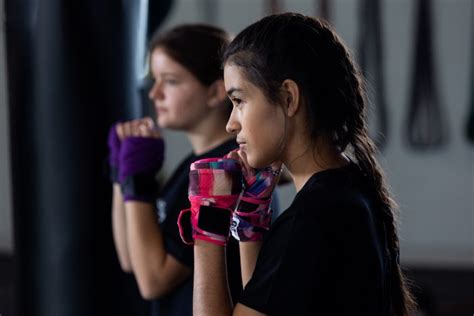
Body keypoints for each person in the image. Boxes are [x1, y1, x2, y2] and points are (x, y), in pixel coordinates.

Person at [185, 13, 417, 316]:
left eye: (239, 101)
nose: (231, 124)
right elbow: (265, 301)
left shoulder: (311, 219)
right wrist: (249, 221)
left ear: (289, 98)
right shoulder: (349, 188)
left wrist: (208, 224)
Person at [107, 24, 243, 316]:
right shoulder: (192, 164)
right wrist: (124, 177)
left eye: (169, 81)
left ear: (215, 91)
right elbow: (132, 258)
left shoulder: (223, 169)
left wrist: (139, 184)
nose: (155, 93)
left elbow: (153, 281)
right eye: (154, 80)